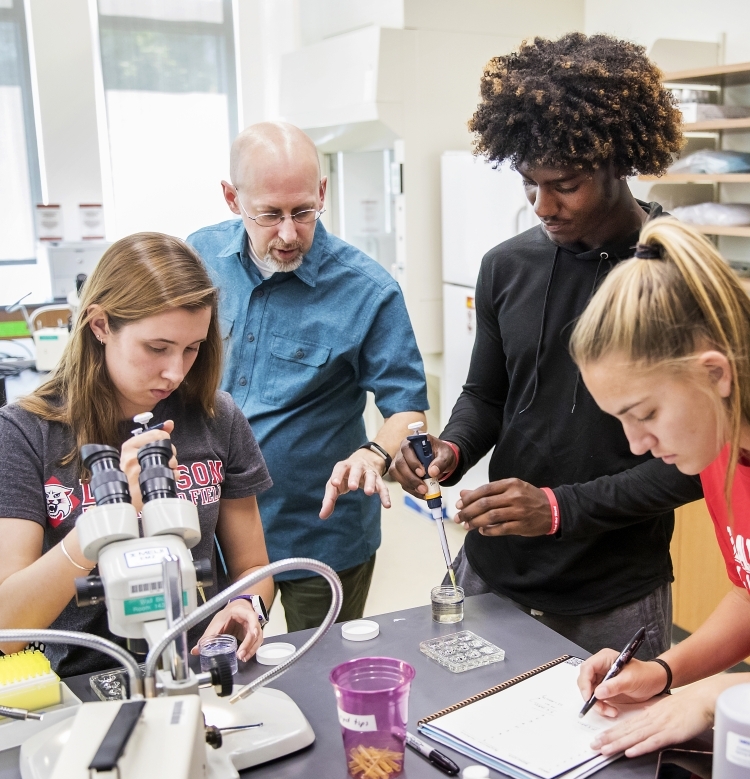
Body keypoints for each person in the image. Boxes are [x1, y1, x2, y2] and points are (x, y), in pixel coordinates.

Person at [391, 32, 702, 658]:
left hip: (613, 593)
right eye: (528, 183)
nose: (542, 206)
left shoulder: (677, 274)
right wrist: (450, 450)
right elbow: (487, 394)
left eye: (563, 184)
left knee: (614, 753)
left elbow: (699, 468)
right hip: (493, 572)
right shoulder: (506, 266)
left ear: (617, 160)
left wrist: (561, 509)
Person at [188, 122, 428, 631]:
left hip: (319, 534)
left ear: (322, 192)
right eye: (269, 215)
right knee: (220, 670)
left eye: (303, 211)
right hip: (213, 526)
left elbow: (407, 409)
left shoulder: (367, 290)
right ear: (233, 199)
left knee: (314, 681)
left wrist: (375, 453)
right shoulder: (198, 258)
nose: (289, 233)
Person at [0, 232, 274, 677]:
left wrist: (247, 606)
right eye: (157, 348)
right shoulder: (25, 432)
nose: (175, 372)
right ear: (100, 325)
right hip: (78, 683)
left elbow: (253, 566)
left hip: (198, 668)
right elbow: (8, 628)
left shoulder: (216, 416)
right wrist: (105, 522)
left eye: (192, 349)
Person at [570, 216, 750, 757]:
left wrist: (717, 694)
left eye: (645, 413)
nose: (636, 444)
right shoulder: (721, 456)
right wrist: (665, 672)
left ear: (715, 373)